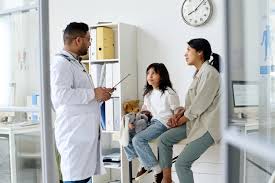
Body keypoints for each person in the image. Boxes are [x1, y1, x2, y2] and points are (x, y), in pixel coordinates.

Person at [50, 22, 112, 183]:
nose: (91, 43)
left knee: (83, 178)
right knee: (75, 178)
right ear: (78, 40)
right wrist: (93, 93)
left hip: (83, 136)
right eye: (89, 39)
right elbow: (60, 95)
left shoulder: (75, 63)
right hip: (74, 136)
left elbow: (82, 97)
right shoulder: (61, 64)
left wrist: (98, 95)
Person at [158, 38, 221, 183]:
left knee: (182, 164)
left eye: (188, 50)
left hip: (207, 127)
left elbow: (199, 106)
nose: (185, 54)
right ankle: (167, 179)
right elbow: (194, 105)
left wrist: (178, 120)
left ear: (200, 53)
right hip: (195, 122)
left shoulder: (210, 74)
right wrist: (180, 114)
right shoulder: (199, 73)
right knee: (164, 139)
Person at [123, 63, 180, 183]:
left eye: (154, 73)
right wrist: (133, 121)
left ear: (162, 76)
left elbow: (177, 111)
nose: (150, 76)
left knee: (138, 140)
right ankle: (144, 163)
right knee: (125, 135)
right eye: (148, 73)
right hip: (151, 122)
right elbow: (145, 111)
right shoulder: (148, 94)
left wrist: (176, 119)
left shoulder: (169, 93)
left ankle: (157, 170)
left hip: (163, 123)